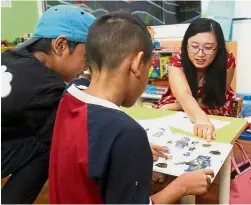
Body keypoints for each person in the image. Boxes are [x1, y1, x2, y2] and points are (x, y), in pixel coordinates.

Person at [49, 11, 214, 204]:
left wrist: (126, 150)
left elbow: (90, 145)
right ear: (137, 63)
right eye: (149, 66)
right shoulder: (126, 133)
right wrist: (181, 187)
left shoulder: (71, 93)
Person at [1, 5, 95, 204]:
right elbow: (73, 140)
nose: (86, 66)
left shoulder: (9, 57)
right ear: (60, 45)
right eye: (86, 57)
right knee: (54, 141)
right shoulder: (44, 86)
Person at [156, 18, 236, 141]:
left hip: (213, 102)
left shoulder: (226, 60)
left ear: (218, 47)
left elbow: (218, 95)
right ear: (186, 45)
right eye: (194, 46)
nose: (200, 54)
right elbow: (184, 95)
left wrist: (177, 106)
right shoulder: (177, 62)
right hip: (181, 100)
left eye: (208, 48)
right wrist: (199, 116)